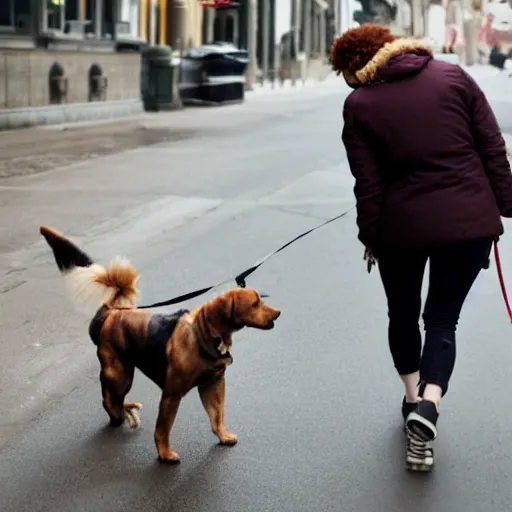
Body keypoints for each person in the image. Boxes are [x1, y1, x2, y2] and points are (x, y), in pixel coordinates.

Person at [330, 24, 512, 472]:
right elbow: (492, 147)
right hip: (468, 224)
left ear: (359, 67)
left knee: (403, 314)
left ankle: (413, 400)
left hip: (401, 229)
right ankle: (430, 405)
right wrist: (505, 205)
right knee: (443, 321)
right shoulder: (453, 77)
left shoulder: (359, 105)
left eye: (346, 74)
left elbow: (367, 186)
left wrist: (370, 237)